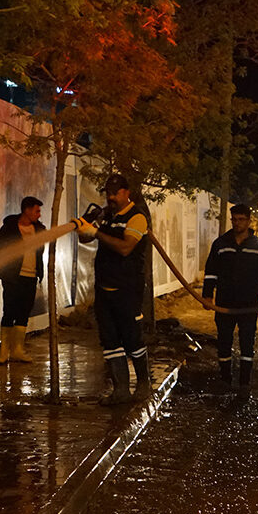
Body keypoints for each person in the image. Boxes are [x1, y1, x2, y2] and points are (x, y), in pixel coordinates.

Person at [77, 173, 151, 405]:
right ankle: (121, 390)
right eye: (108, 192)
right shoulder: (107, 215)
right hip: (104, 288)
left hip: (127, 289)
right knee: (109, 340)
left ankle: (143, 384)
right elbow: (86, 240)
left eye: (115, 192)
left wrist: (97, 232)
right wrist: (85, 228)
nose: (110, 196)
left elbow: (126, 247)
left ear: (126, 193)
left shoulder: (137, 218)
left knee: (132, 337)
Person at [202, 204, 258, 389]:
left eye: (241, 219)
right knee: (224, 341)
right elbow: (211, 272)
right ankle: (225, 379)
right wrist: (207, 296)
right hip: (224, 303)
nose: (237, 223)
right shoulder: (220, 244)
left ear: (249, 221)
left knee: (247, 343)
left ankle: (244, 382)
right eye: (234, 219)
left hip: (249, 304)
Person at [0, 196, 46, 364]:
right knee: (9, 312)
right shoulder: (9, 228)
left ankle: (17, 350)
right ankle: (4, 352)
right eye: (37, 210)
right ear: (27, 210)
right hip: (12, 277)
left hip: (31, 277)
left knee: (23, 313)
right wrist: (5, 269)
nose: (39, 214)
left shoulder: (40, 229)